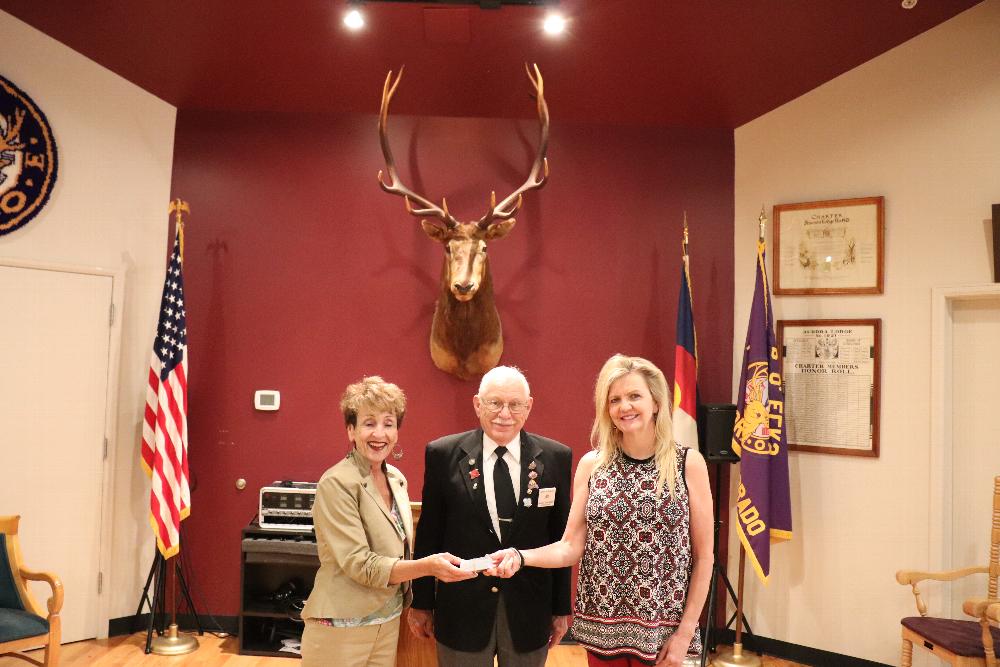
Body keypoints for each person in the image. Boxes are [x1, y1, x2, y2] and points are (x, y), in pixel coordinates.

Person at [488, 354, 714, 667]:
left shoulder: (688, 464)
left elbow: (704, 557)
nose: (625, 407)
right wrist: (520, 556)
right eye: (615, 399)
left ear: (656, 403)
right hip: (602, 632)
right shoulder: (593, 465)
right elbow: (569, 547)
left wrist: (685, 633)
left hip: (664, 635)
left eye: (634, 396)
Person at [300, 376, 476, 667]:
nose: (379, 433)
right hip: (342, 625)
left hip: (388, 620)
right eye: (369, 423)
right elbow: (361, 565)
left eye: (388, 423)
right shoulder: (336, 483)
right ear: (351, 430)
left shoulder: (396, 479)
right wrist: (429, 567)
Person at [409, 365, 574, 667]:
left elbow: (561, 539)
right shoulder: (443, 454)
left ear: (529, 406)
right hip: (461, 611)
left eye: (515, 405)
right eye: (495, 403)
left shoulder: (556, 457)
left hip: (529, 612)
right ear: (477, 404)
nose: (504, 414)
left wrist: (561, 608)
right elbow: (429, 534)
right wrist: (421, 602)